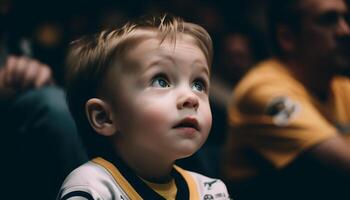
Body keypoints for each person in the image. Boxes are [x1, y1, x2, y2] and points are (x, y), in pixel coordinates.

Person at [57, 14, 230, 200]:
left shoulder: (211, 192)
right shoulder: (94, 188)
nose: (191, 98)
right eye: (161, 81)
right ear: (104, 117)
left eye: (198, 84)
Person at [222, 0, 350, 199]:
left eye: (345, 18)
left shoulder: (341, 86)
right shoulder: (263, 91)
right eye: (328, 20)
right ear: (287, 37)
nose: (345, 31)